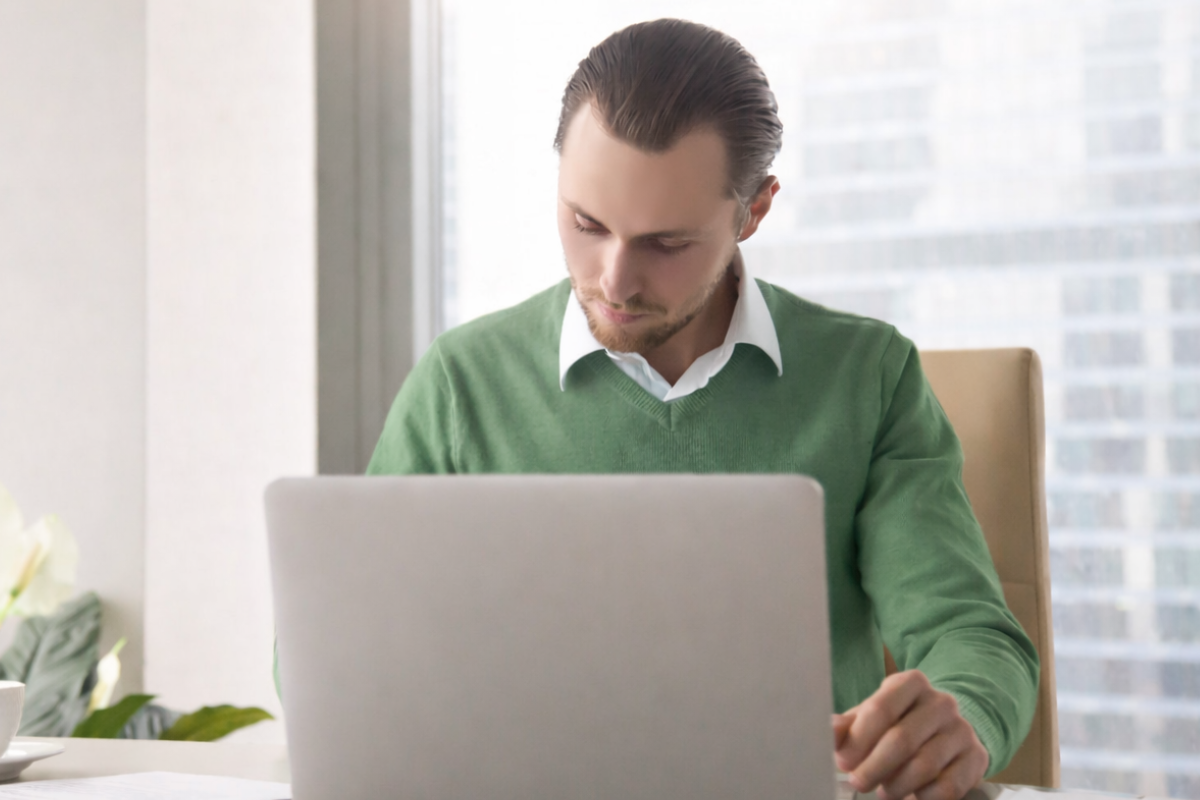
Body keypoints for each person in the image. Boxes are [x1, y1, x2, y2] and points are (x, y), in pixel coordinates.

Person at [368, 18, 1038, 800]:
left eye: (666, 243)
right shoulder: (461, 384)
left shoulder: (869, 375)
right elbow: (344, 650)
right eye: (586, 224)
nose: (615, 281)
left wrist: (960, 718)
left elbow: (969, 635)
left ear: (753, 212)